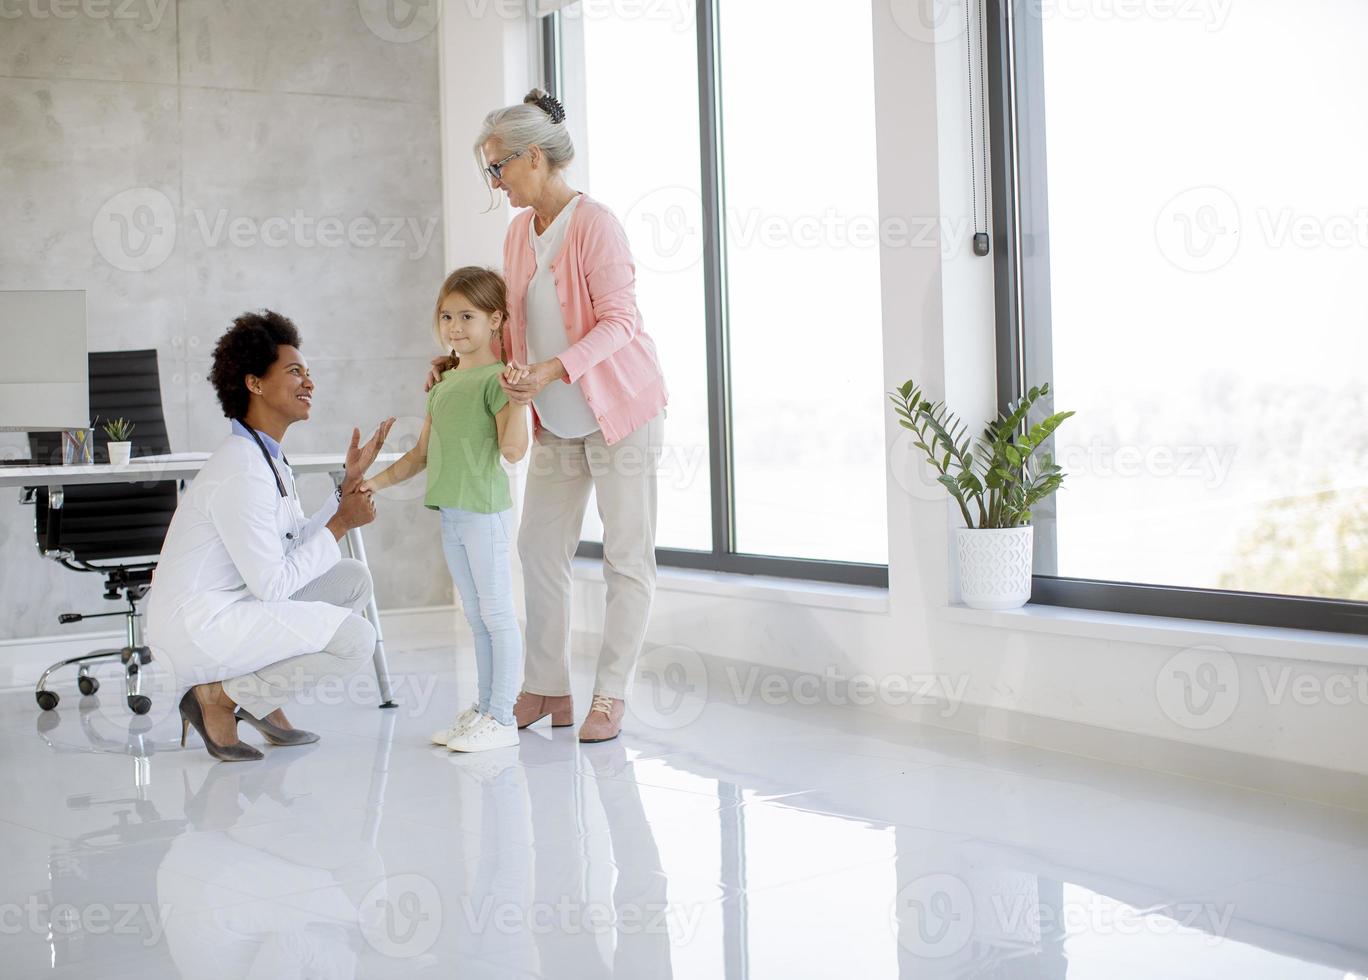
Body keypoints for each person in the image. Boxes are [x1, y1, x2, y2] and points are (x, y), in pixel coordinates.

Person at [428, 89, 668, 743]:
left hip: (620, 410)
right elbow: (512, 330)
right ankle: (547, 688)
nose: (493, 179)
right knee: (538, 546)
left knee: (625, 554)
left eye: (497, 166)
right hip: (556, 417)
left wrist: (553, 370)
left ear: (533, 158)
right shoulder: (516, 232)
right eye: (489, 168)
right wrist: (469, 370)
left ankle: (609, 696)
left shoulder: (596, 224)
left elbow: (622, 322)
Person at [146, 310, 394, 761]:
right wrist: (341, 523)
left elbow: (292, 542)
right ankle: (218, 696)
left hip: (233, 606)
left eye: (309, 372)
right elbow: (274, 584)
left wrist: (343, 493)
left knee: (352, 578)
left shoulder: (265, 457)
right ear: (254, 383)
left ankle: (254, 697)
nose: (309, 383)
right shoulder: (241, 468)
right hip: (199, 627)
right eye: (295, 371)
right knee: (355, 639)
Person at [363, 267, 530, 752]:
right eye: (446, 316)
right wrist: (369, 484)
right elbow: (420, 455)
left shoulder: (498, 380)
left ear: (495, 319)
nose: (455, 326)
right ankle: (483, 709)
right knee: (476, 618)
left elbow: (514, 451)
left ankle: (502, 718)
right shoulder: (445, 381)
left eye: (467, 316)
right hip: (454, 514)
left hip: (485, 512)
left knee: (498, 615)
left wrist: (519, 398)